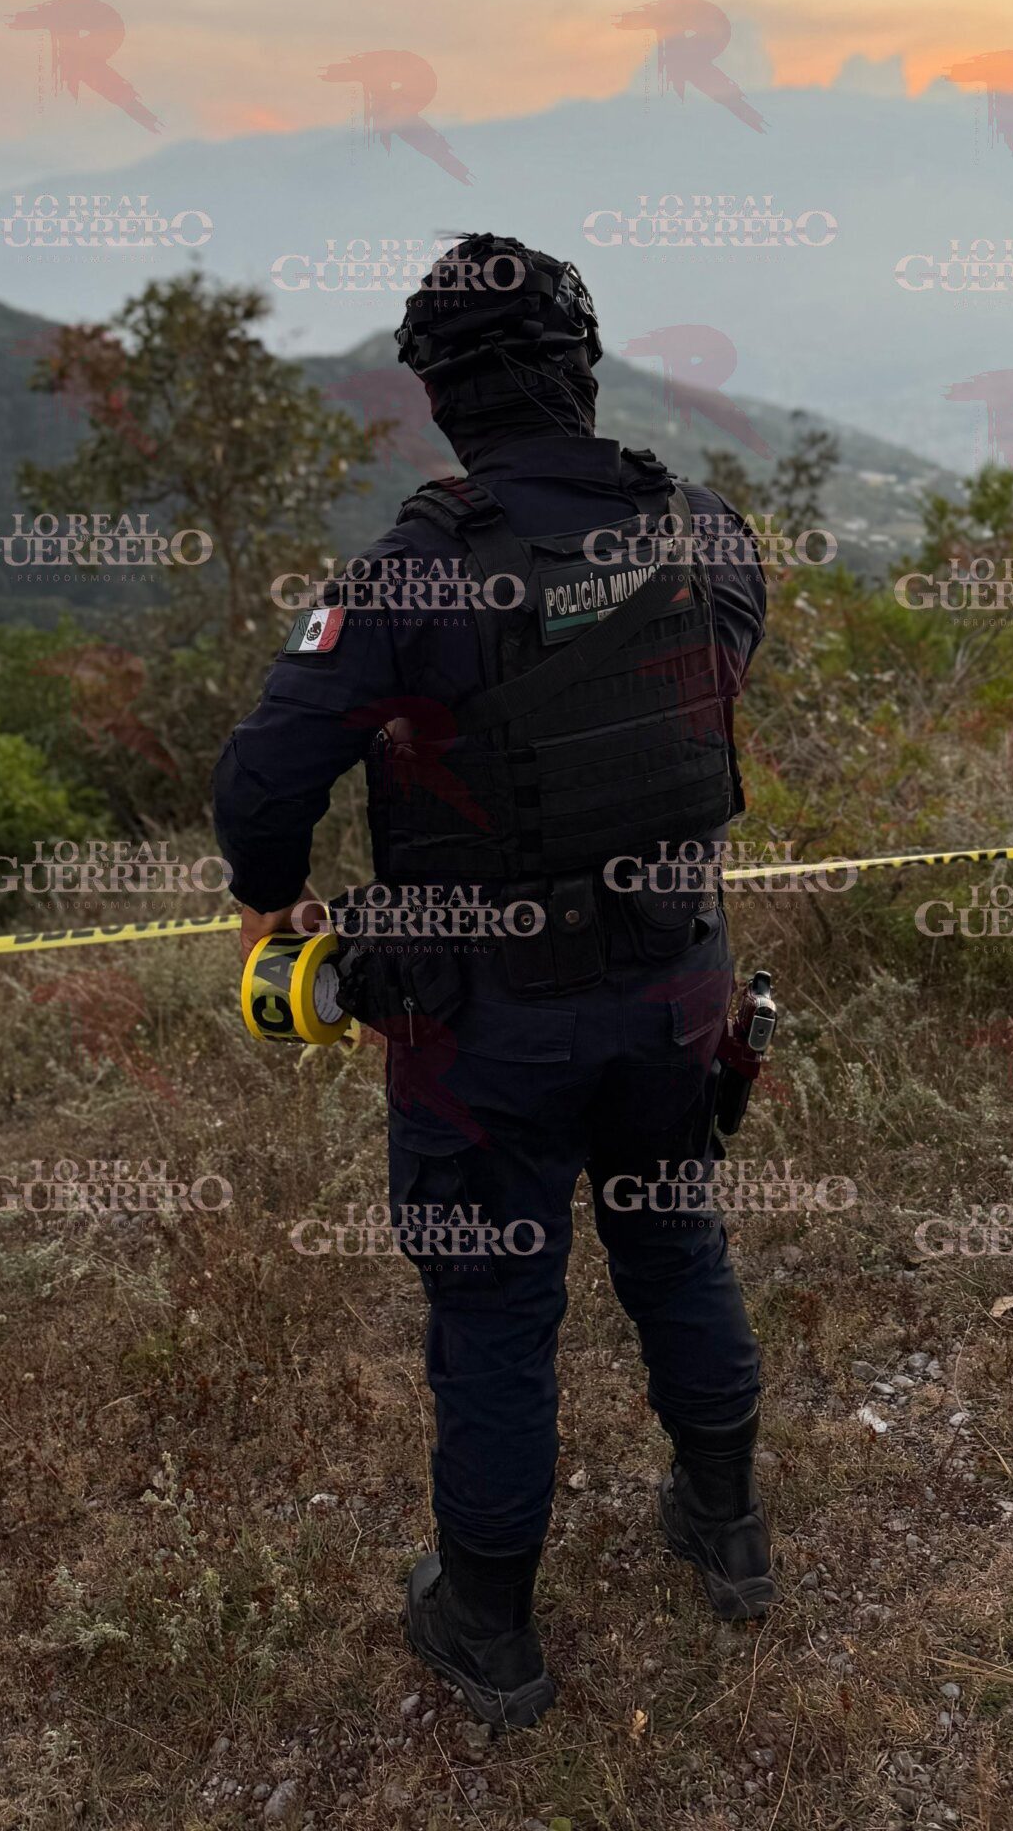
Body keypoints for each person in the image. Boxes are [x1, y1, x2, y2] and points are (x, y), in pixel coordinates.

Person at [211, 232, 771, 1733]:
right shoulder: (705, 530)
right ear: (584, 372)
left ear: (441, 397)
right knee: (676, 1243)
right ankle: (727, 1530)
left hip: (487, 1032)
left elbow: (261, 785)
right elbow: (714, 690)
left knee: (496, 1313)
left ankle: (490, 1628)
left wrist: (278, 907)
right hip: (678, 987)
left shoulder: (410, 576)